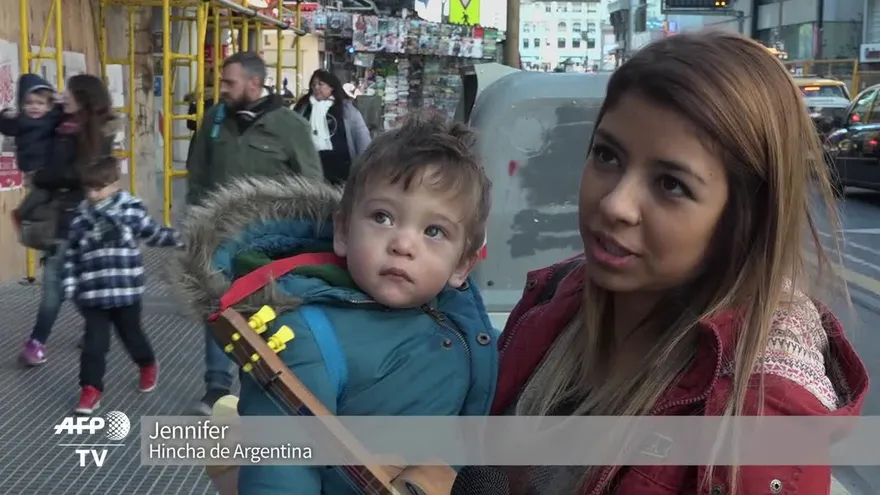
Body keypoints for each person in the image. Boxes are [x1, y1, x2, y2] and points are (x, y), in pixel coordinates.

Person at [486, 31, 869, 494]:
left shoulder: (756, 428)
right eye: (607, 155)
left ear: (745, 217)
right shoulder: (555, 295)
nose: (615, 205)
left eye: (670, 184)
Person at [173, 110, 498, 493]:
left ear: (462, 264)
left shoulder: (465, 324)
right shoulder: (305, 336)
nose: (403, 244)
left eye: (433, 230)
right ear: (343, 230)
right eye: (383, 216)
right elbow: (281, 470)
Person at [186, 51, 324, 414]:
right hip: (218, 235)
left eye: (230, 83)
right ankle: (215, 387)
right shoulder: (215, 120)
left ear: (253, 83)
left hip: (267, 242)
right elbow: (197, 173)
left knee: (265, 311)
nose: (224, 89)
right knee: (215, 305)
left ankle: (266, 386)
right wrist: (193, 220)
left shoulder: (289, 126)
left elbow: (311, 182)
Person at [61, 155, 182, 414]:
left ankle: (147, 363)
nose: (93, 194)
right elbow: (71, 255)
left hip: (126, 291)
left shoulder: (130, 211)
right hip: (93, 294)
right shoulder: (80, 219)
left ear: (115, 184)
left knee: (132, 336)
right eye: (89, 189)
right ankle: (90, 390)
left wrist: (181, 239)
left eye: (99, 188)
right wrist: (70, 285)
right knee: (94, 345)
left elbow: (154, 234)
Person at [19, 74, 119, 367]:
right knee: (74, 282)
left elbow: (77, 175)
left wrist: (39, 177)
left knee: (54, 283)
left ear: (83, 98)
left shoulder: (92, 134)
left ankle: (36, 343)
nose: (63, 95)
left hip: (77, 217)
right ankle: (94, 329)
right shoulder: (63, 125)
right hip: (60, 214)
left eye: (69, 92)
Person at [293, 69, 371, 185]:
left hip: (341, 166)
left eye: (320, 84)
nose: (316, 88)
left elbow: (361, 136)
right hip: (311, 164)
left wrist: (365, 164)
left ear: (331, 87)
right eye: (313, 85)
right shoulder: (303, 108)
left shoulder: (346, 109)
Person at [0, 74, 60, 219]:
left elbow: (62, 114)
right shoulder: (21, 121)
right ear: (22, 104)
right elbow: (7, 127)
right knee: (39, 194)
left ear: (49, 105)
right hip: (30, 167)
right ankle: (23, 215)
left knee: (45, 196)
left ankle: (24, 215)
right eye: (29, 103)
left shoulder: (51, 119)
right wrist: (5, 115)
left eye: (40, 103)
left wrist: (60, 102)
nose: (34, 107)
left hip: (46, 166)